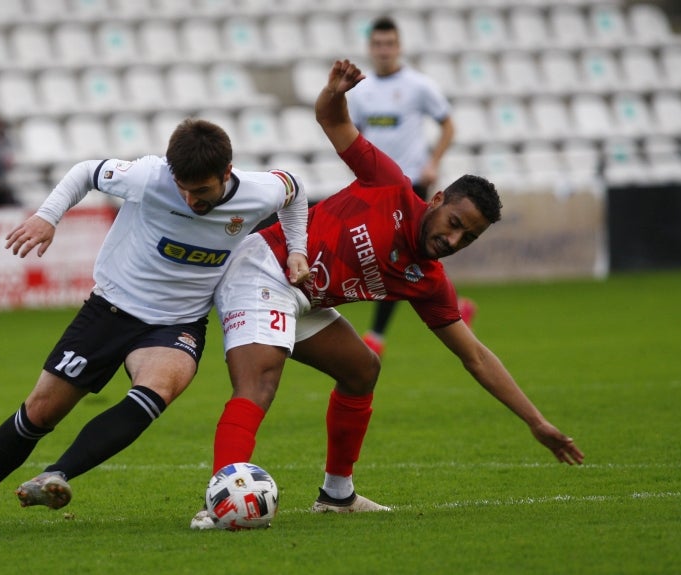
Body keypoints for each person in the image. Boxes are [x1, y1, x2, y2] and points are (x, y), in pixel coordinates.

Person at [189, 60, 584, 529]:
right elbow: (331, 120)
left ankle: (337, 495)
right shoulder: (389, 185)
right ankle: (220, 502)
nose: (453, 241)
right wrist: (336, 91)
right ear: (435, 201)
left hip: (303, 297)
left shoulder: (428, 279)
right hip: (265, 267)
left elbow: (475, 356)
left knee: (362, 370)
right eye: (455, 224)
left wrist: (536, 422)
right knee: (259, 383)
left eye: (468, 239)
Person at [0, 118, 311, 529]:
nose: (191, 200)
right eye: (183, 189)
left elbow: (294, 189)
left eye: (203, 191)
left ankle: (57, 474)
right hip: (110, 310)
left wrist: (297, 250)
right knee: (40, 412)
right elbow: (85, 171)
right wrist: (48, 216)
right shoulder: (149, 176)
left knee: (156, 390)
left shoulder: (259, 190)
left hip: (178, 322)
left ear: (227, 174)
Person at [347, 16, 464, 356]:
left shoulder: (418, 85)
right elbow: (352, 136)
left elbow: (449, 127)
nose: (384, 50)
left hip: (412, 183)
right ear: (371, 48)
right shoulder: (361, 90)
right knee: (400, 258)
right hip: (375, 187)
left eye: (390, 44)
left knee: (400, 256)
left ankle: (376, 336)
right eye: (378, 44)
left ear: (399, 47)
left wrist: (433, 162)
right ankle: (457, 308)